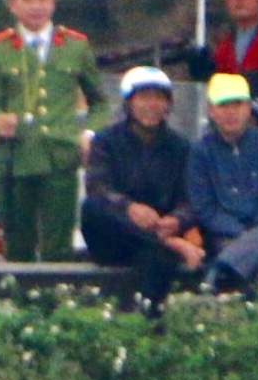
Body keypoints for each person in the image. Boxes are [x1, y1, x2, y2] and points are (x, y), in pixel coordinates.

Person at [0, 0, 108, 262]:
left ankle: (57, 302)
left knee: (58, 244)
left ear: (54, 1)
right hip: (17, 158)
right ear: (12, 5)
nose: (36, 6)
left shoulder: (75, 45)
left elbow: (100, 102)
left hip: (60, 155)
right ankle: (21, 303)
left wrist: (88, 133)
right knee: (17, 242)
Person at [79, 63, 202, 308]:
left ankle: (148, 322)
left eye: (159, 98)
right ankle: (166, 243)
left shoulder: (181, 147)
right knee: (92, 208)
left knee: (160, 259)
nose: (152, 105)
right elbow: (97, 188)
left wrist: (177, 220)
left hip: (156, 237)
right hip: (115, 235)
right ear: (129, 103)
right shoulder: (106, 141)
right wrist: (129, 208)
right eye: (144, 97)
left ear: (168, 105)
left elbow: (192, 198)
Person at [184, 71, 258, 293]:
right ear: (211, 110)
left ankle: (222, 268)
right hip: (223, 233)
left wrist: (256, 230)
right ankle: (242, 281)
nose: (231, 112)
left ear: (248, 108)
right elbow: (205, 208)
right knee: (250, 251)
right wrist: (241, 233)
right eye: (223, 105)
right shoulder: (200, 151)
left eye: (238, 104)